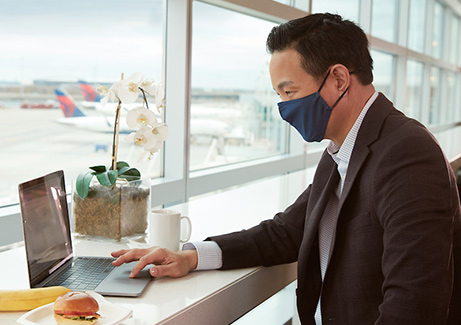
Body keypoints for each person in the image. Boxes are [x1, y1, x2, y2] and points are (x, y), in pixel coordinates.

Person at [111, 13, 461, 324]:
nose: (283, 107)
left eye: (289, 92)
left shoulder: (406, 154)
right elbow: (286, 232)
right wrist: (190, 256)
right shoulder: (340, 151)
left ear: (339, 79)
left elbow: (415, 303)